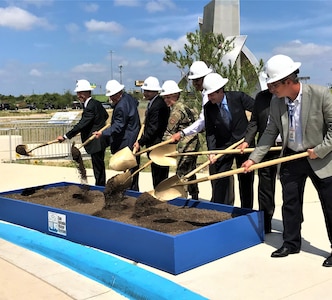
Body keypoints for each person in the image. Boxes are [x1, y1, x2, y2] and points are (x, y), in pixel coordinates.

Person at [241, 54, 332, 266]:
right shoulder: (276, 102)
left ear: (288, 82)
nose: (271, 89)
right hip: (292, 156)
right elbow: (270, 132)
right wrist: (253, 159)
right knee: (290, 203)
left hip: (321, 158)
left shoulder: (321, 95)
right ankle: (291, 243)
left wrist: (320, 150)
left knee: (330, 205)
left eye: (274, 85)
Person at [203, 72, 255, 208]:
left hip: (244, 144)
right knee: (221, 178)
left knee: (245, 179)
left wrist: (248, 137)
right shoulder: (208, 108)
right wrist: (212, 151)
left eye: (211, 94)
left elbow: (258, 113)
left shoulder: (238, 97)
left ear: (220, 91)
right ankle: (221, 210)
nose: (209, 97)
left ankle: (246, 211)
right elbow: (210, 132)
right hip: (223, 146)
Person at [238, 88, 281, 233]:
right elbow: (254, 121)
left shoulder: (288, 95)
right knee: (265, 187)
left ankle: (292, 226)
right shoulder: (261, 97)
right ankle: (266, 223)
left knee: (290, 188)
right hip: (265, 147)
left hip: (287, 147)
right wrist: (247, 140)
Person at [57, 79, 109, 186]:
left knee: (98, 167)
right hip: (98, 140)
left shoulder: (90, 106)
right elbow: (105, 116)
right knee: (98, 166)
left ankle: (100, 188)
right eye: (78, 93)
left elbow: (82, 124)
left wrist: (65, 136)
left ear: (86, 93)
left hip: (96, 141)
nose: (78, 95)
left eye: (80, 93)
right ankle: (100, 186)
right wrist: (97, 125)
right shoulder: (95, 103)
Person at [94, 79, 141, 191]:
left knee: (128, 171)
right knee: (133, 171)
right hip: (134, 138)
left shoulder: (121, 106)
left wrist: (102, 133)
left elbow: (118, 126)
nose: (111, 99)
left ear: (119, 93)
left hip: (127, 142)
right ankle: (133, 191)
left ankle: (131, 194)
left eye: (112, 96)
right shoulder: (128, 98)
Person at [160, 80, 200, 200]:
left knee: (182, 173)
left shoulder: (176, 111)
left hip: (186, 145)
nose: (165, 100)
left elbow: (169, 132)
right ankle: (195, 196)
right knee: (191, 171)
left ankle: (182, 197)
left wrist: (161, 145)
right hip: (194, 143)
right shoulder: (187, 105)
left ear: (173, 96)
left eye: (166, 97)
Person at [133, 76, 170, 188]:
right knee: (156, 173)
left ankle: (160, 195)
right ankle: (158, 192)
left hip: (158, 144)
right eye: (145, 91)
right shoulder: (153, 103)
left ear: (155, 91)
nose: (145, 93)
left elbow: (153, 128)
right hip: (154, 144)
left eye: (148, 91)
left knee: (160, 174)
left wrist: (141, 141)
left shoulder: (158, 105)